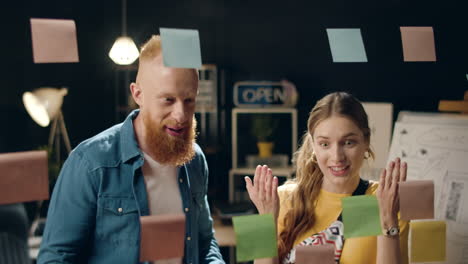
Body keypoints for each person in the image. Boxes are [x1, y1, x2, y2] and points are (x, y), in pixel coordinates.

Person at [38, 35, 225, 264]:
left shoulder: (194, 159)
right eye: (168, 100)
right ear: (138, 94)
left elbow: (205, 243)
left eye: (189, 101)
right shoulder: (90, 163)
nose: (181, 116)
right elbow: (56, 259)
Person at [245, 92, 409, 264]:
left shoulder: (387, 199)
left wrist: (387, 220)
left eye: (348, 142)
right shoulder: (280, 198)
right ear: (314, 145)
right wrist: (265, 221)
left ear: (366, 141)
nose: (337, 156)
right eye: (325, 144)